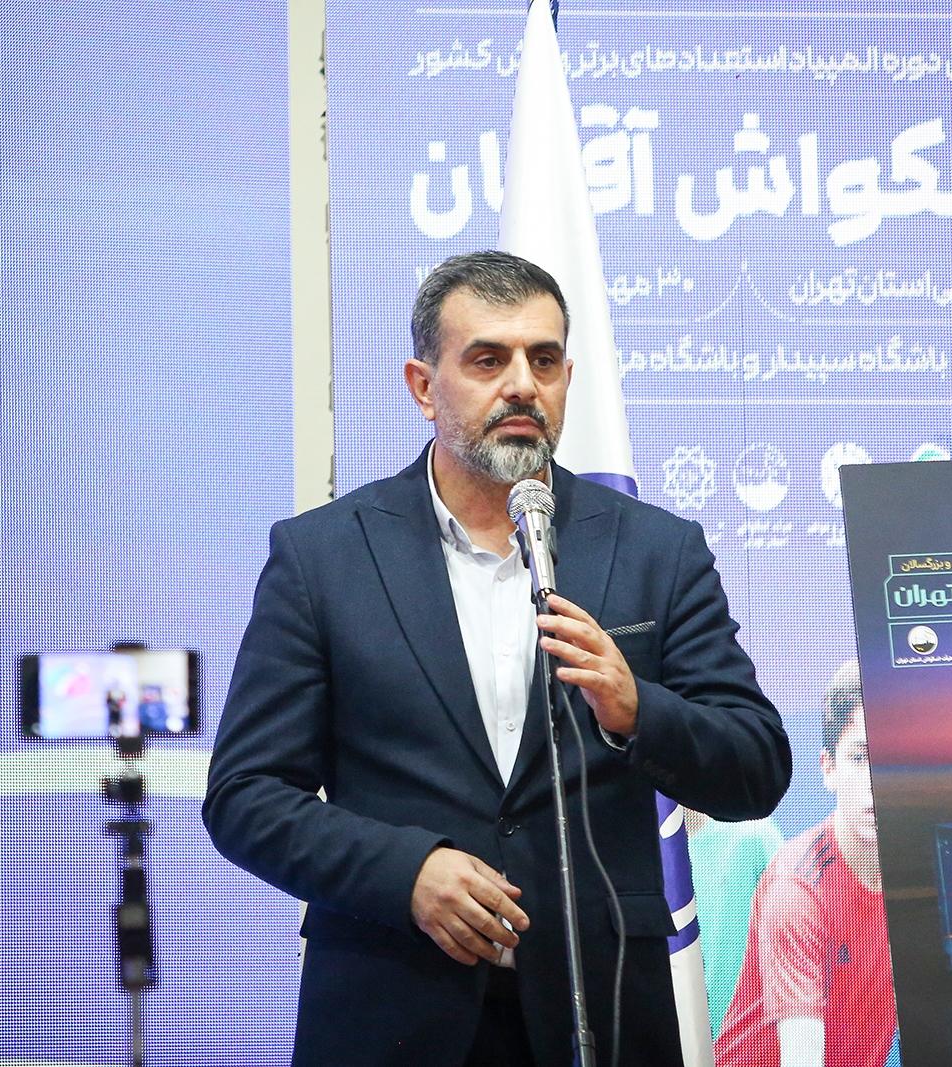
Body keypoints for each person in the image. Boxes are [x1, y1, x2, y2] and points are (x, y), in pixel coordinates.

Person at [203, 250, 791, 1067]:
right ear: (423, 386)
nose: (522, 385)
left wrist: (637, 710)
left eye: (543, 361)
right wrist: (407, 871)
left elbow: (756, 766)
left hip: (605, 1010)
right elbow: (246, 795)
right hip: (394, 1008)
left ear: (567, 379)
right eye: (488, 360)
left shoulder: (657, 549)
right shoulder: (324, 557)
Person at [714, 661, 897, 1067]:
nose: (875, 783)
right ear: (828, 769)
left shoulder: (922, 876)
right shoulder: (795, 890)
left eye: (891, 759)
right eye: (860, 757)